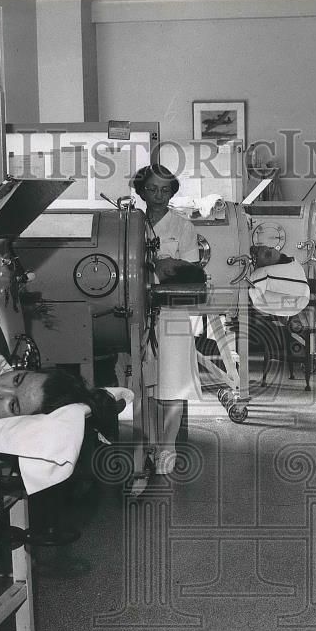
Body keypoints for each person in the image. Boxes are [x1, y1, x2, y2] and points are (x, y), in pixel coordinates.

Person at [131, 164, 204, 478]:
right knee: (145, 384)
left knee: (173, 385)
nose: (158, 195)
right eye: (152, 189)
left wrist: (160, 267)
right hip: (136, 313)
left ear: (172, 192)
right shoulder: (131, 223)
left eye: (165, 189)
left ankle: (168, 446)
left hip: (172, 314)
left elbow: (190, 275)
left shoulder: (182, 225)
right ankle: (148, 444)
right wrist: (162, 267)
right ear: (141, 190)